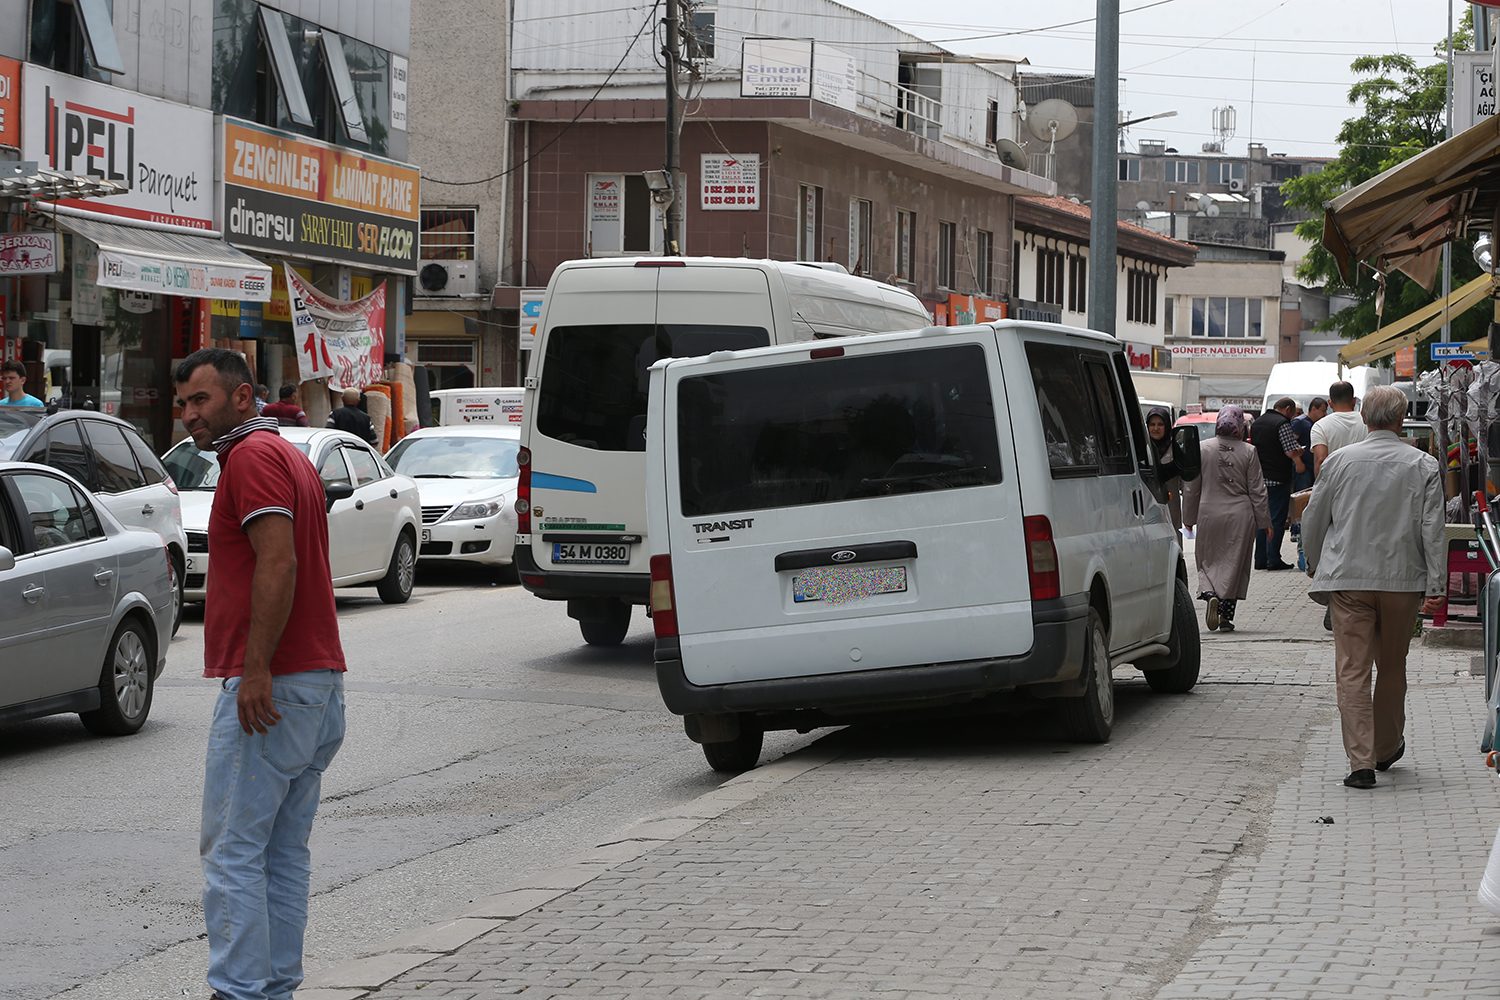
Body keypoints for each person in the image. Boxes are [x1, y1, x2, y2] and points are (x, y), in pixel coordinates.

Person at [174, 348, 347, 1000]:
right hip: (315, 685)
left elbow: (277, 564)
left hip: (276, 689)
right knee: (279, 854)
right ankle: (272, 989)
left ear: (241, 398)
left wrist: (254, 672)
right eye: (184, 404)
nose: (190, 415)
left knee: (232, 855)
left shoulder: (250, 459)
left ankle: (240, 992)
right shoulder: (290, 458)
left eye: (202, 401)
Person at [1301, 384, 1445, 790]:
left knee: (1352, 669)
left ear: (1364, 417)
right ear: (1401, 420)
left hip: (1349, 578)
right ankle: (1385, 748)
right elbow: (1432, 530)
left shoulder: (1340, 462)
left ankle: (1360, 763)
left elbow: (1315, 517)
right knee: (1393, 665)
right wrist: (1436, 583)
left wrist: (1314, 562)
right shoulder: (1424, 465)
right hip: (1403, 580)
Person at [1182, 405, 1271, 632]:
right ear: (1240, 424)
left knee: (1206, 561)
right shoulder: (1249, 451)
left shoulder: (1202, 449)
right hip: (1240, 517)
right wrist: (1265, 522)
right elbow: (1257, 490)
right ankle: (1224, 617)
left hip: (1208, 513)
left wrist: (1188, 517)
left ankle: (1210, 593)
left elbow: (1191, 487)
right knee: (1233, 565)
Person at [1249, 397, 1304, 570]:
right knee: (1277, 519)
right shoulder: (1282, 423)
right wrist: (1300, 450)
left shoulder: (1258, 422)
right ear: (1288, 409)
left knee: (1261, 519)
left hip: (1258, 478)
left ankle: (1260, 559)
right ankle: (1273, 558)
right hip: (1278, 478)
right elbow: (1289, 452)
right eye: (1293, 414)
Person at [1310, 381, 1368, 477]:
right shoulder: (1369, 422)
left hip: (1335, 485)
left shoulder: (1320, 426)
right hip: (1364, 481)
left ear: (1330, 403)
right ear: (1354, 401)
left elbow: (1321, 460)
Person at [1146, 406, 1183, 530]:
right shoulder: (1142, 449)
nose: (1156, 428)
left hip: (1170, 508)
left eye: (1160, 424)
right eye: (1152, 424)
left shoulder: (1175, 450)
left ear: (1167, 426)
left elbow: (1185, 482)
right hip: (1146, 508)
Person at [1289, 396, 1327, 491]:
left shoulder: (1318, 424)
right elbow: (1291, 441)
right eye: (1323, 411)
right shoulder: (1299, 422)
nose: (1325, 414)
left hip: (1313, 466)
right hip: (1304, 467)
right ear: (1314, 409)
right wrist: (1298, 462)